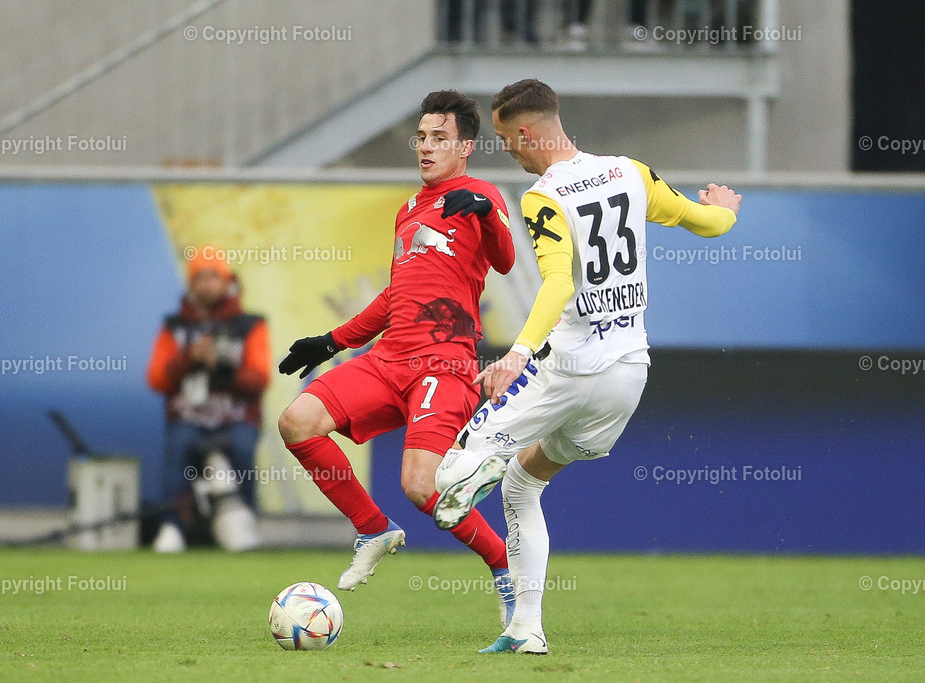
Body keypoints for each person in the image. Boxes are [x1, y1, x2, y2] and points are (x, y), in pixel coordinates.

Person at [433, 78, 741, 654]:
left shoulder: (543, 195)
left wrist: (516, 353)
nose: (510, 151)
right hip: (627, 377)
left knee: (443, 480)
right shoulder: (630, 171)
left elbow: (555, 281)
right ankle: (525, 629)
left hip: (565, 371)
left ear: (526, 133)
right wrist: (723, 212)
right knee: (524, 485)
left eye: (505, 139)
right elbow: (704, 223)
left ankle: (469, 472)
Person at [276, 90, 519, 627]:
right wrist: (333, 341)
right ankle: (373, 528)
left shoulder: (480, 194)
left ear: (466, 147)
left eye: (440, 139)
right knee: (297, 422)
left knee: (419, 486)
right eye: (422, 137)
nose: (426, 148)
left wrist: (486, 213)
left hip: (443, 363)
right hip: (389, 358)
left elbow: (505, 260)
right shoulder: (408, 209)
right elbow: (396, 294)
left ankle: (505, 566)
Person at [147, 249, 270, 552]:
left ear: (227, 281)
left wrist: (222, 366)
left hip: (236, 417)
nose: (206, 284)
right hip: (189, 417)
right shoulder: (174, 326)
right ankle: (173, 525)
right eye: (199, 277)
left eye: (213, 276)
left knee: (242, 450)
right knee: (177, 450)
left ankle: (245, 522)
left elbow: (260, 378)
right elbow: (157, 379)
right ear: (190, 283)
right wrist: (189, 358)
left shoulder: (250, 324)